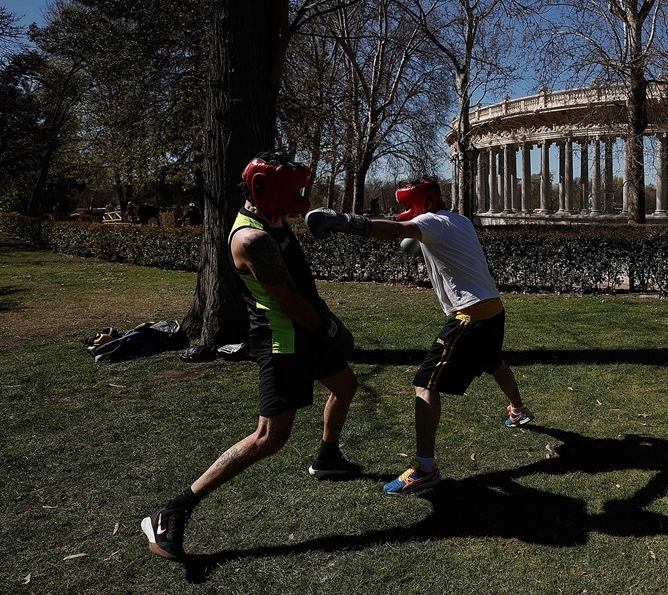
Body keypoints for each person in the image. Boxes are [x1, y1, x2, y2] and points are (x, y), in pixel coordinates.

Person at [140, 151, 362, 561]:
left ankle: (328, 458)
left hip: (307, 327)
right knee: (268, 438)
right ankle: (171, 512)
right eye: (293, 190)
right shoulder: (252, 240)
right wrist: (330, 329)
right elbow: (289, 301)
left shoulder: (273, 219)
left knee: (345, 386)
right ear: (263, 188)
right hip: (284, 339)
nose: (301, 197)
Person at [306, 177, 533, 496]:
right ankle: (518, 411)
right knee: (492, 361)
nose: (404, 210)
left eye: (407, 204)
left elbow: (395, 230)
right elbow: (419, 236)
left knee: (425, 385)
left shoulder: (431, 222)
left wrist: (343, 222)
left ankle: (425, 468)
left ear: (425, 203)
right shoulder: (459, 220)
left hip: (471, 315)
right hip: (494, 308)